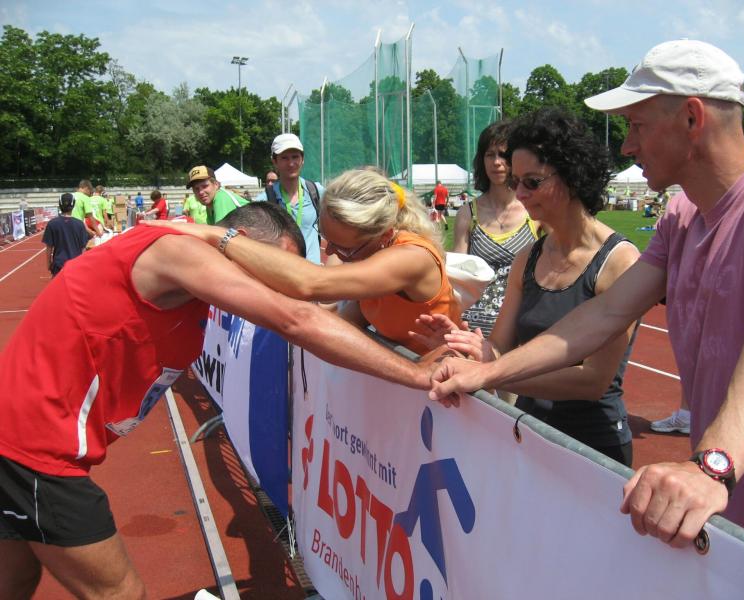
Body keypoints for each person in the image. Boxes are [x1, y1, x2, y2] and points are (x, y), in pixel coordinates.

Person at [429, 39, 744, 548]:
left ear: (692, 118)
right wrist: (488, 371)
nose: (627, 146)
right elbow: (605, 312)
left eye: (637, 125)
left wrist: (712, 466)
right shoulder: (680, 217)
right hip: (719, 507)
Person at [0, 203, 441, 599]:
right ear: (241, 243)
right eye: (272, 266)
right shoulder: (180, 251)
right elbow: (296, 318)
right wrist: (415, 374)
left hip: (21, 436)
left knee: (15, 579)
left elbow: (307, 312)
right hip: (34, 447)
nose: (274, 281)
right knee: (119, 592)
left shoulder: (189, 266)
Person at [425, 108, 640, 465]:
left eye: (533, 182)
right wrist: (467, 346)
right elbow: (500, 346)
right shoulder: (528, 258)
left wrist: (490, 372)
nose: (520, 193)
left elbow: (593, 380)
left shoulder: (619, 261)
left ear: (572, 175)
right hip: (527, 432)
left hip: (592, 448)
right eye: (516, 182)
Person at [149, 168, 462, 356]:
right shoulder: (372, 255)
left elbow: (313, 283)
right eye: (326, 240)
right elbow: (344, 319)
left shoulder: (412, 258)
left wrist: (221, 237)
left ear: (382, 235)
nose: (332, 253)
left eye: (342, 247)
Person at [451, 119, 538, 335]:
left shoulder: (534, 211)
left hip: (519, 327)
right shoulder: (468, 214)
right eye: (490, 155)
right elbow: (457, 276)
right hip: (474, 328)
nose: (497, 162)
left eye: (503, 155)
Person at [263, 133, 324, 263]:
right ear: (275, 161)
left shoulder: (316, 191)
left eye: (295, 157)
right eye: (284, 158)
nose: (291, 163)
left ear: (302, 159)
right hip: (283, 271)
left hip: (313, 271)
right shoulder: (264, 200)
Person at [42, 193, 90, 276]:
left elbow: (49, 247)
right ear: (73, 205)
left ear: (60, 205)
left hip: (59, 264)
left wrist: (49, 263)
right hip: (75, 264)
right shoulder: (79, 224)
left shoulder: (52, 224)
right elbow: (83, 248)